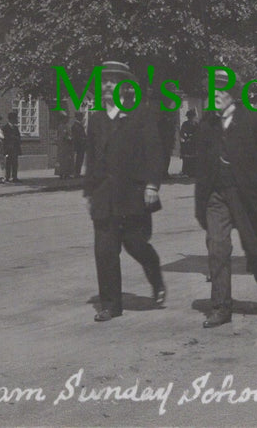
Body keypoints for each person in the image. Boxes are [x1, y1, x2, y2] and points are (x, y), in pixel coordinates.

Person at [194, 70, 257, 328]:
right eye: (212, 91)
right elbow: (201, 166)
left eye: (221, 90)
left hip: (246, 196)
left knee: (254, 250)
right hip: (216, 196)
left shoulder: (253, 120)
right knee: (217, 247)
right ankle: (221, 307)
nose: (216, 95)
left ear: (232, 94)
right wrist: (201, 200)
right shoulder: (206, 125)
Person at [84, 61, 166, 322]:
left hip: (132, 196)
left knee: (136, 245)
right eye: (104, 80)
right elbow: (92, 157)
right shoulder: (96, 119)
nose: (107, 84)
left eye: (113, 80)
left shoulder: (140, 115)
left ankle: (155, 274)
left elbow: (154, 153)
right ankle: (110, 305)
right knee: (104, 251)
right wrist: (89, 192)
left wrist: (152, 185)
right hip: (104, 196)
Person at [2, 111, 22, 183]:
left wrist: (16, 138)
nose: (16, 120)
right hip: (8, 149)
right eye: (15, 119)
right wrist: (13, 137)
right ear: (11, 119)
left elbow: (19, 136)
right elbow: (5, 138)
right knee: (8, 163)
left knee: (15, 163)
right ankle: (7, 177)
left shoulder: (15, 128)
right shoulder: (5, 128)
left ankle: (14, 177)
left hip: (15, 148)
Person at [179, 109, 199, 177]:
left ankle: (193, 171)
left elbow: (198, 133)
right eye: (189, 116)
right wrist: (184, 137)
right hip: (187, 142)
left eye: (191, 116)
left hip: (194, 142)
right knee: (186, 157)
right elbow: (182, 132)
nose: (190, 118)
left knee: (194, 157)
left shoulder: (196, 124)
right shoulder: (185, 124)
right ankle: (186, 171)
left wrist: (193, 137)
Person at [71, 113, 86, 178]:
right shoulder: (76, 126)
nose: (82, 118)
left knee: (79, 159)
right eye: (81, 117)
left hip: (80, 146)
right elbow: (79, 137)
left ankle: (77, 173)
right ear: (78, 117)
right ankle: (77, 173)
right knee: (78, 159)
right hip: (79, 146)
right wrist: (84, 140)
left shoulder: (78, 125)